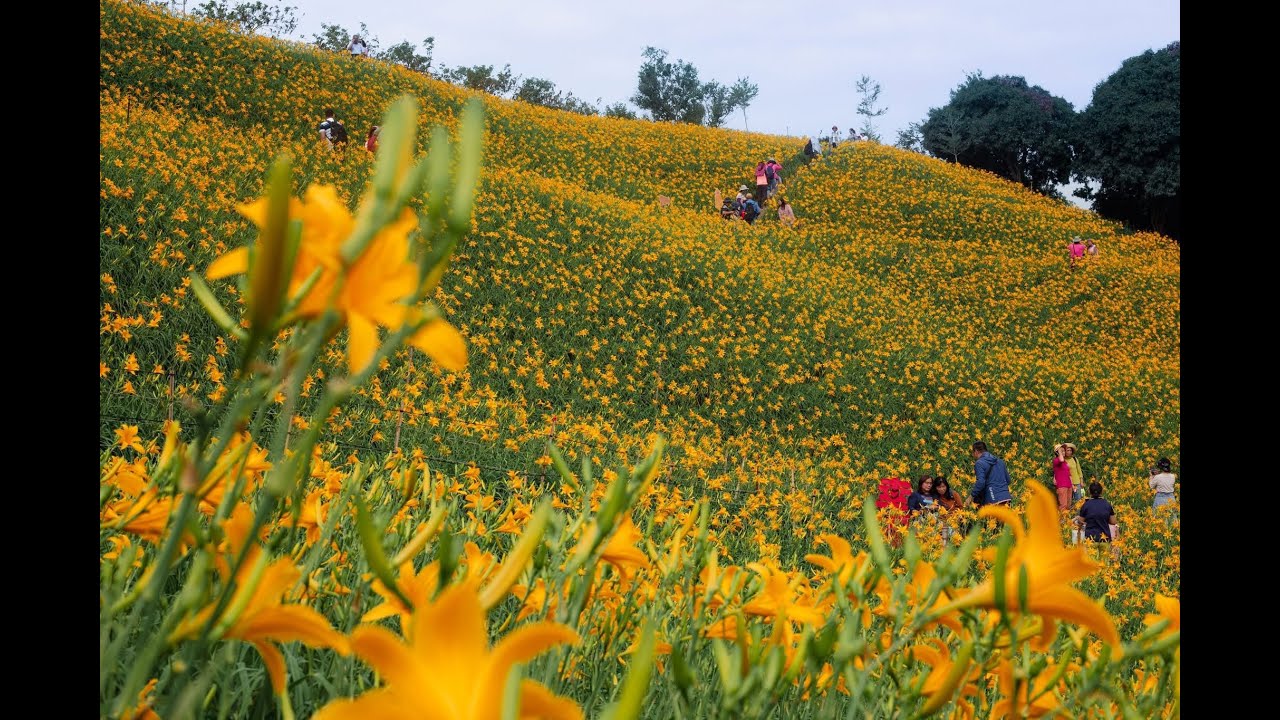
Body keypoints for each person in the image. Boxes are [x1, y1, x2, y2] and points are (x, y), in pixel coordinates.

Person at [1072, 481, 1117, 547]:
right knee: (1104, 557)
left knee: (1092, 557)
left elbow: (1080, 522)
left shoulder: (1086, 505)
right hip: (1105, 539)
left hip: (1090, 540)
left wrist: (1077, 518)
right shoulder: (1107, 504)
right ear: (1101, 492)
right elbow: (1113, 522)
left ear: (1090, 492)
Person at [969, 441, 1012, 508]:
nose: (972, 455)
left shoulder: (979, 463)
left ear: (976, 451)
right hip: (1006, 498)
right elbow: (1008, 480)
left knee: (991, 518)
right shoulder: (1000, 461)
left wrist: (971, 496)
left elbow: (981, 482)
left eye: (972, 452)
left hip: (993, 499)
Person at [932, 476, 963, 542]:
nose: (941, 489)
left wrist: (954, 517)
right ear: (935, 487)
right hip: (940, 521)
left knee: (953, 536)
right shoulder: (933, 496)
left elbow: (960, 507)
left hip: (953, 520)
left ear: (947, 486)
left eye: (943, 486)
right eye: (939, 487)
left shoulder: (953, 494)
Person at [1051, 443, 1074, 511]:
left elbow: (1069, 474)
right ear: (1057, 452)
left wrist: (1072, 485)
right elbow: (1061, 460)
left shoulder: (1065, 462)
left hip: (1069, 485)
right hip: (1062, 486)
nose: (1063, 452)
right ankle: (1062, 521)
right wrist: (1059, 452)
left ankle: (1067, 521)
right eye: (1061, 451)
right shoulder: (1056, 460)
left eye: (1064, 451)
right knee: (1063, 505)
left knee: (1068, 505)